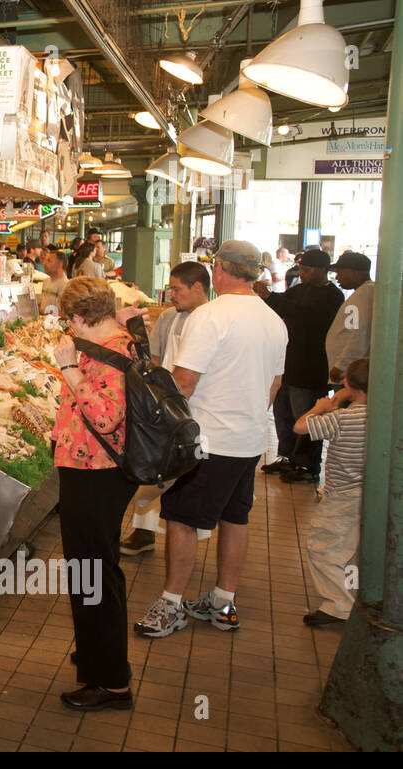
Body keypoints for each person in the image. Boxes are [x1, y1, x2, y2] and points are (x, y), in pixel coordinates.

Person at [133, 240, 287, 639]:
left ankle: (171, 604)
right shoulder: (274, 320)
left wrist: (155, 424)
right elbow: (275, 383)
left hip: (207, 441)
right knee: (236, 518)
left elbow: (183, 382)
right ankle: (223, 602)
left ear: (218, 269)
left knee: (182, 521)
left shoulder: (211, 316)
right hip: (249, 440)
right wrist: (249, 418)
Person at [50, 277, 142, 711]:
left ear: (83, 318)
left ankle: (110, 682)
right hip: (92, 470)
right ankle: (95, 655)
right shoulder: (121, 337)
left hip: (96, 472)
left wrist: (69, 369)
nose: (69, 330)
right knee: (95, 569)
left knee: (93, 574)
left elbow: (105, 418)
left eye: (72, 321)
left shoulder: (111, 354)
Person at [120, 261, 211, 557]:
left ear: (198, 287)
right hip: (166, 407)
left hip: (197, 412)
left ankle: (184, 539)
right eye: (170, 288)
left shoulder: (212, 321)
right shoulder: (170, 317)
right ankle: (145, 532)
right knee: (155, 472)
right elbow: (154, 359)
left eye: (176, 289)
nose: (170, 294)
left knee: (185, 479)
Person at [255, 247, 344, 484]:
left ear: (322, 270)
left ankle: (307, 464)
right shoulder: (299, 290)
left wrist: (271, 297)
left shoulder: (333, 297)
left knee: (306, 416)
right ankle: (286, 457)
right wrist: (268, 296)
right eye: (300, 269)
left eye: (306, 269)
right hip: (289, 365)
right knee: (282, 412)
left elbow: (306, 315)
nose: (301, 273)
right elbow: (282, 305)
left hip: (312, 369)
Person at [294, 357, 368, 627]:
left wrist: (320, 406)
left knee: (323, 549)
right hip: (368, 495)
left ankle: (340, 605)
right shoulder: (383, 416)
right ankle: (354, 598)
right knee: (351, 551)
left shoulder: (342, 418)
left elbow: (300, 427)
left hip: (342, 497)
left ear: (347, 383)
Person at [325, 251, 374, 386]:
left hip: (348, 375)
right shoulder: (364, 292)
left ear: (354, 273)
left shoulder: (362, 295)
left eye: (340, 272)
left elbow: (358, 333)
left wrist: (342, 365)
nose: (337, 276)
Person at [38, 245, 69, 316]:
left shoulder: (66, 285)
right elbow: (40, 304)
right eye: (45, 260)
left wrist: (44, 312)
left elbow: (66, 313)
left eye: (49, 261)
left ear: (59, 264)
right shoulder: (46, 281)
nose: (44, 263)